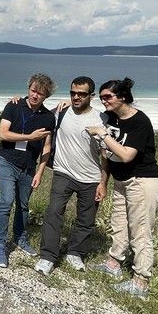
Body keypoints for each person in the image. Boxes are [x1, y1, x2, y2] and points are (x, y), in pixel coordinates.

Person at [86, 77, 158, 300]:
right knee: (119, 224)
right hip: (121, 181)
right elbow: (88, 112)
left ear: (122, 97)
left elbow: (127, 154)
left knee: (140, 231)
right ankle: (113, 263)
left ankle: (140, 282)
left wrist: (103, 135)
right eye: (101, 97)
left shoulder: (140, 121)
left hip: (142, 181)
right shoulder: (112, 117)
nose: (104, 101)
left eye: (108, 97)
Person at [34, 76, 109, 276]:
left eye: (81, 94)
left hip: (91, 177)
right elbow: (38, 114)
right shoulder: (61, 112)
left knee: (86, 219)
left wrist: (103, 182)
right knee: (53, 212)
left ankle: (75, 253)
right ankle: (48, 256)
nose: (76, 97)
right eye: (72, 93)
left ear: (91, 96)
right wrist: (18, 102)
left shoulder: (103, 119)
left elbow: (106, 156)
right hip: (63, 172)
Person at [0, 73, 56, 268]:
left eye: (40, 93)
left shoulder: (48, 117)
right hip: (7, 161)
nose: (35, 95)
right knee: (6, 202)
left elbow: (46, 147)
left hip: (29, 167)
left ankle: (20, 237)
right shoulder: (14, 105)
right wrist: (29, 136)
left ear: (46, 96)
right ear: (28, 89)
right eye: (33, 90)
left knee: (23, 205)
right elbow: (3, 134)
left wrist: (40, 172)